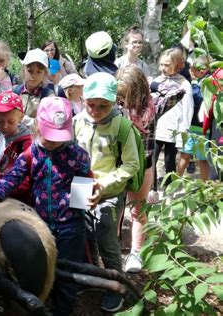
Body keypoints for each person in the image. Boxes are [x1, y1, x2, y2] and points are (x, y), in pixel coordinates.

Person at [0, 96, 101, 315]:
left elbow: (84, 185)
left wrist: (90, 195)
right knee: (43, 268)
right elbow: (12, 178)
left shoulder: (78, 155)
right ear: (38, 128)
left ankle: (63, 309)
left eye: (57, 137)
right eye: (48, 135)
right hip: (41, 224)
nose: (52, 141)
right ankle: (43, 302)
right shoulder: (31, 154)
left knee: (67, 271)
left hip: (70, 225)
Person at [73, 72, 140, 312]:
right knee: (82, 232)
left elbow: (132, 164)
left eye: (103, 105)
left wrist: (105, 184)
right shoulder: (78, 121)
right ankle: (90, 275)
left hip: (110, 192)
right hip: (81, 186)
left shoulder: (122, 127)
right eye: (91, 104)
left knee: (106, 237)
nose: (96, 110)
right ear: (84, 100)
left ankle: (116, 286)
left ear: (114, 102)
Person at [116, 66, 156, 273]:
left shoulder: (152, 106)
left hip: (143, 165)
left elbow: (179, 92)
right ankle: (112, 251)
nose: (123, 99)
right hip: (117, 164)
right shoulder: (114, 107)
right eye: (120, 94)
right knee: (114, 208)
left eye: (127, 95)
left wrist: (156, 84)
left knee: (138, 209)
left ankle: (136, 252)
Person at [152, 48, 194, 192]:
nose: (163, 68)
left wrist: (184, 131)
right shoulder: (155, 82)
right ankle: (153, 189)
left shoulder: (184, 84)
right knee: (152, 159)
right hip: (156, 127)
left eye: (167, 65)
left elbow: (188, 109)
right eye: (162, 64)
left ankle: (170, 189)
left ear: (177, 65)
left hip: (173, 129)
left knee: (170, 161)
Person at [0, 91, 33, 203]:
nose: (5, 126)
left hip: (16, 198)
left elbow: (27, 177)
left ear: (21, 118)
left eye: (11, 121)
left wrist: (1, 190)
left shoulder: (26, 143)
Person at [176, 55, 211, 180]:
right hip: (194, 127)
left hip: (202, 128)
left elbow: (197, 99)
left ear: (202, 70)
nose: (191, 72)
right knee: (186, 154)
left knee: (202, 158)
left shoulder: (207, 84)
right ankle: (174, 183)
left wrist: (194, 86)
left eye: (193, 70)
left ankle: (205, 186)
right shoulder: (200, 82)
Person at [13, 48, 55, 129]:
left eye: (39, 72)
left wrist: (22, 118)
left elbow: (47, 125)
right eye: (30, 71)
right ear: (24, 70)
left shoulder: (48, 96)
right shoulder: (15, 91)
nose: (34, 76)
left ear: (45, 73)